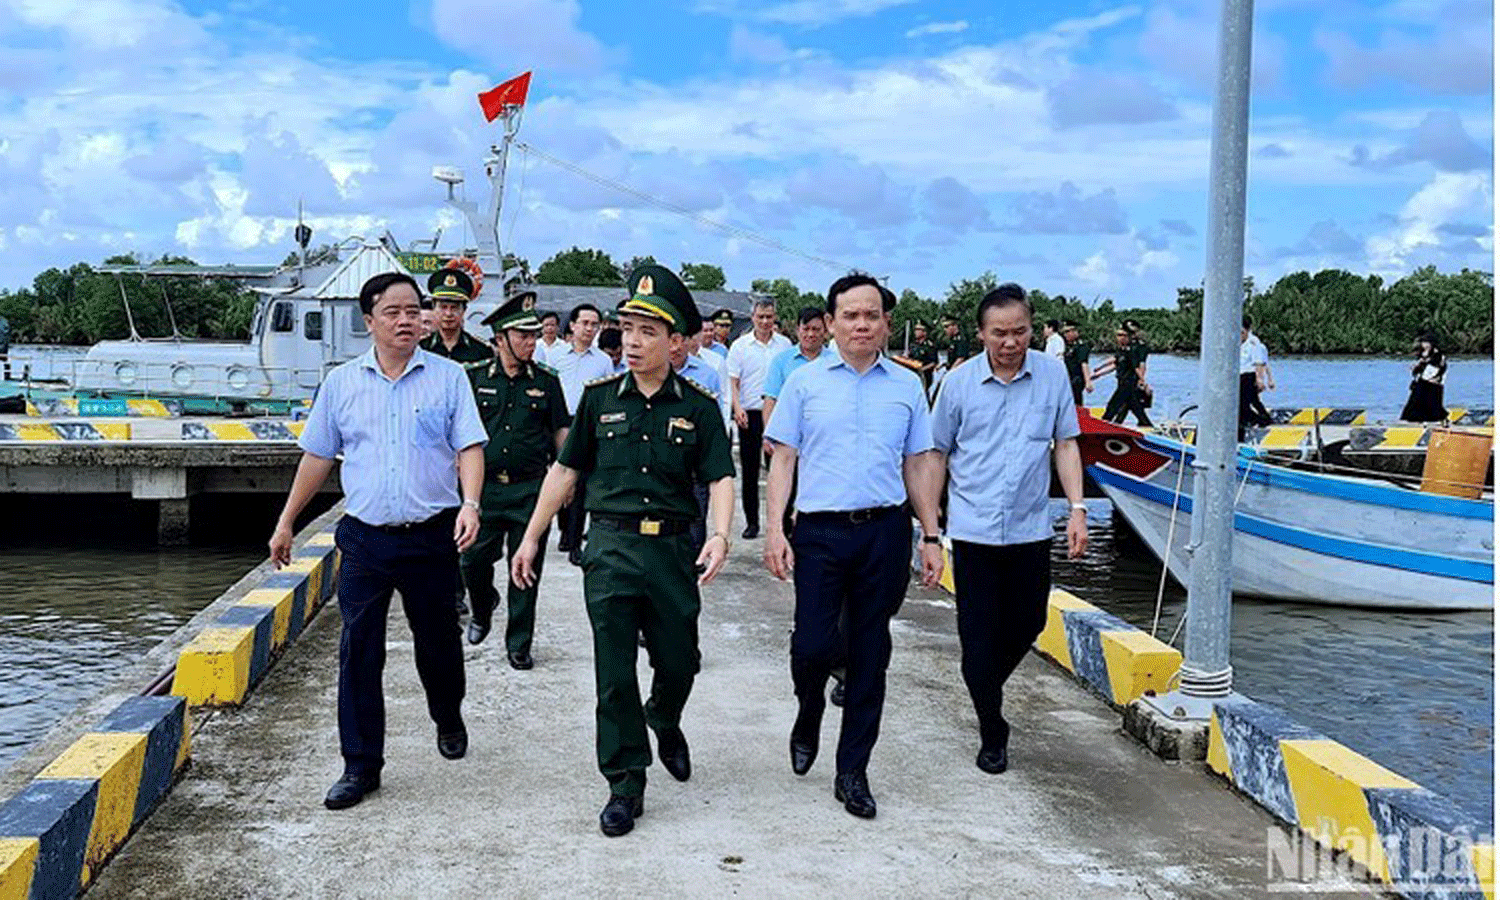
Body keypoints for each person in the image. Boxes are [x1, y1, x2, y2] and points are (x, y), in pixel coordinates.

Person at [511, 264, 735, 838]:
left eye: (646, 331)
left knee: (680, 658)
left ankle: (665, 715)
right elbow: (565, 472)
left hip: (671, 553)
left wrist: (719, 534)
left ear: (676, 341)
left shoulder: (701, 408)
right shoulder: (598, 400)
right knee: (614, 676)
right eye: (627, 329)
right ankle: (624, 783)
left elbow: (720, 479)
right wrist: (533, 536)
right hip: (608, 548)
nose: (632, 341)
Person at [268, 271, 487, 811]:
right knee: (358, 652)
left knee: (437, 641)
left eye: (415, 310)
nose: (408, 319)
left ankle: (447, 712)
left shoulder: (449, 377)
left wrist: (472, 503)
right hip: (365, 539)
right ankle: (361, 765)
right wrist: (287, 520)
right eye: (394, 312)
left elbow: (470, 447)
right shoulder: (342, 384)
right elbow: (318, 456)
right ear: (369, 322)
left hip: (431, 535)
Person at [763, 273, 943, 820]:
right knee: (811, 646)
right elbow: (784, 458)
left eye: (872, 315)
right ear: (832, 323)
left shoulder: (907, 386)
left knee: (871, 653)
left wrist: (931, 535)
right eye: (851, 316)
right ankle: (808, 709)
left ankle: (853, 771)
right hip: (820, 533)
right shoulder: (805, 384)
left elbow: (918, 463)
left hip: (884, 532)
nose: (862, 325)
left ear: (887, 322)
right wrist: (775, 529)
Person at [930, 283, 1089, 776]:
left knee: (1029, 624)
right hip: (973, 530)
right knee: (976, 639)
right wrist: (929, 531)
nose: (1010, 342)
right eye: (999, 333)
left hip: (1029, 528)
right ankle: (992, 728)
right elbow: (936, 454)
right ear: (981, 334)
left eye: (1019, 331)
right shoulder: (957, 385)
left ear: (1031, 330)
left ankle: (983, 684)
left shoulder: (1051, 374)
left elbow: (1065, 442)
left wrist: (1078, 509)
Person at [460, 289, 569, 671]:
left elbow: (560, 434)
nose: (531, 343)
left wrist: (568, 480)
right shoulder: (472, 380)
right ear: (501, 338)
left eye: (534, 335)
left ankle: (518, 643)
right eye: (523, 336)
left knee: (525, 567)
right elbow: (458, 435)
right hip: (484, 490)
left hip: (530, 490)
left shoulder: (546, 381)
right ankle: (482, 605)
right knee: (471, 559)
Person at [552, 304, 615, 565]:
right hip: (558, 422)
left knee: (581, 486)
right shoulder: (554, 356)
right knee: (560, 480)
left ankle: (576, 542)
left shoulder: (603, 361)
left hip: (588, 424)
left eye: (594, 324)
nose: (589, 329)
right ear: (573, 325)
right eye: (585, 323)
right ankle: (564, 530)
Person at [725, 299, 792, 539]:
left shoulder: (784, 346)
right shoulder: (740, 346)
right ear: (753, 317)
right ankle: (752, 522)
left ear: (775, 318)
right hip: (750, 414)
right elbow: (732, 381)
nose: (765, 322)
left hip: (778, 415)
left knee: (780, 470)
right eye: (761, 317)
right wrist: (737, 407)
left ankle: (783, 522)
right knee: (750, 471)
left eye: (769, 317)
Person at [673, 332, 724, 549]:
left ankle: (693, 562)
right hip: (660, 460)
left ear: (689, 342)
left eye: (680, 341)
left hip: (694, 457)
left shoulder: (707, 374)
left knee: (696, 514)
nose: (675, 348)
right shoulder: (648, 372)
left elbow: (714, 419)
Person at [418, 267, 492, 372]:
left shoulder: (481, 351)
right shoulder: (420, 349)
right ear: (434, 309)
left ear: (464, 310)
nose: (448, 314)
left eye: (454, 307)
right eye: (443, 307)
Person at [1092, 324, 1152, 427]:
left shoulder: (1132, 350)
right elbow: (1116, 362)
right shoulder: (1123, 350)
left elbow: (1138, 366)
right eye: (1118, 335)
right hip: (1123, 382)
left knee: (1113, 406)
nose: (1119, 338)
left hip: (1129, 383)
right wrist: (1099, 372)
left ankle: (1103, 425)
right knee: (1135, 408)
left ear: (1128, 337)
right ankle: (1146, 425)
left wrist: (1142, 381)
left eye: (1122, 335)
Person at [1237, 315, 1274, 440]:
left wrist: (1260, 379)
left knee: (1244, 404)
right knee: (1248, 402)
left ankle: (1259, 420)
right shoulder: (1239, 342)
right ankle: (1261, 419)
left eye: (1241, 332)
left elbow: (1259, 363)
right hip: (1239, 376)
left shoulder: (1254, 342)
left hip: (1248, 376)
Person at [1400, 332, 1448, 422]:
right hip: (1422, 383)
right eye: (1423, 343)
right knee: (1414, 403)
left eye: (1427, 343)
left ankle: (1437, 420)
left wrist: (1424, 362)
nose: (1424, 345)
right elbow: (1419, 370)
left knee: (1431, 406)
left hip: (1433, 384)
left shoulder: (1438, 355)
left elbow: (1436, 369)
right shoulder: (1422, 355)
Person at [1061, 320, 1092, 405]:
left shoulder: (1081, 346)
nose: (1065, 334)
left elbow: (1084, 364)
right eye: (1064, 332)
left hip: (1076, 379)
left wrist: (1088, 382)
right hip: (1067, 378)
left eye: (1068, 332)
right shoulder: (1066, 346)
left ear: (1075, 332)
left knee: (1076, 402)